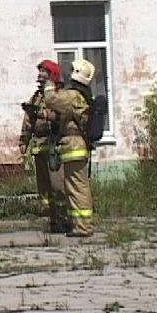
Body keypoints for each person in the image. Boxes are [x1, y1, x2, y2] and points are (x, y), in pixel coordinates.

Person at [43, 59, 95, 237]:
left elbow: (51, 99)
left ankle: (83, 227)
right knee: (74, 187)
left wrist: (49, 83)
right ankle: (78, 225)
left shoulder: (74, 95)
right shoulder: (81, 95)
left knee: (77, 187)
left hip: (74, 147)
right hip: (76, 147)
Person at [19, 60, 67, 233]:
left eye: (43, 73)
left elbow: (60, 116)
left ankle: (63, 219)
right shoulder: (36, 97)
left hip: (54, 146)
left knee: (58, 187)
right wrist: (24, 141)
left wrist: (41, 113)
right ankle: (52, 219)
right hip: (39, 148)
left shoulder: (58, 95)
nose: (39, 76)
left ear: (52, 75)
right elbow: (27, 123)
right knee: (44, 190)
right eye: (39, 73)